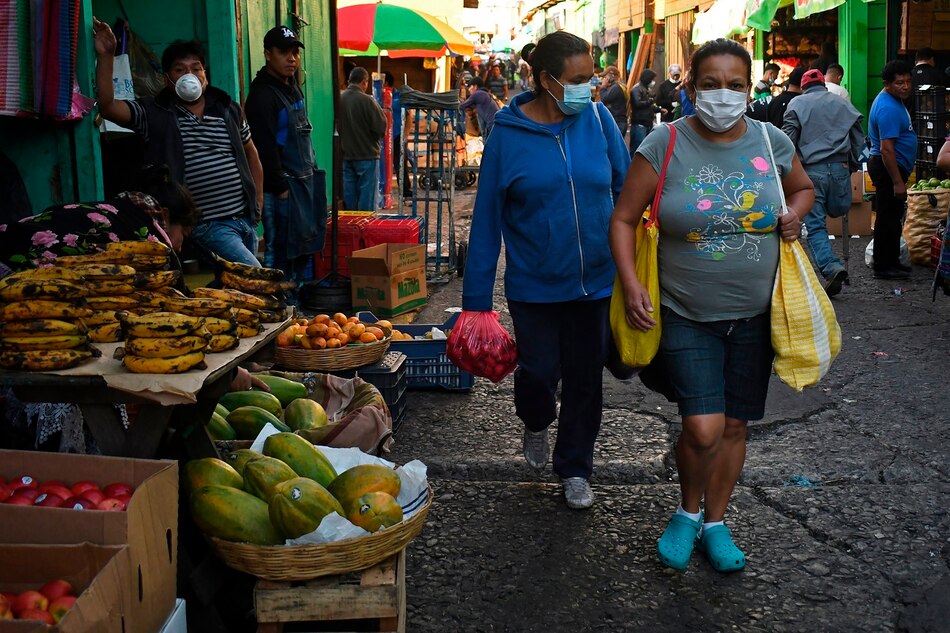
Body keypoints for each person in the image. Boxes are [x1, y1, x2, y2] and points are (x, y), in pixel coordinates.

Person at [610, 38, 814, 572]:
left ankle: (715, 521)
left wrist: (794, 214)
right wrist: (632, 285)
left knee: (735, 427)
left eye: (735, 85)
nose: (723, 95)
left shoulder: (771, 143)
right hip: (683, 311)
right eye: (711, 84)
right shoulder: (664, 143)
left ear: (749, 89)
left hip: (756, 313)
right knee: (702, 427)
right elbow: (624, 218)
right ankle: (685, 511)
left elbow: (804, 190)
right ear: (691, 87)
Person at [462, 31, 630, 510]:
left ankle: (575, 467)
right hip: (534, 284)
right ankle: (536, 421)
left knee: (585, 378)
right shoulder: (507, 138)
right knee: (537, 374)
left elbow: (626, 190)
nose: (589, 89)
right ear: (544, 79)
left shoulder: (597, 121)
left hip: (596, 280)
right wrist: (476, 304)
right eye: (577, 80)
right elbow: (487, 222)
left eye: (591, 78)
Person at [92, 19, 265, 270]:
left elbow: (252, 155)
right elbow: (108, 107)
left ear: (206, 74)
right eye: (180, 70)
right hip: (205, 225)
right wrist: (107, 55)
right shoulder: (154, 113)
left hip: (243, 220)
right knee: (254, 275)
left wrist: (256, 206)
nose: (190, 76)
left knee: (233, 286)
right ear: (166, 78)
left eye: (196, 69)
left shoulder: (228, 109)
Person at [244, 26, 326, 294]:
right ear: (268, 54)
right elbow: (263, 148)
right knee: (279, 254)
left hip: (304, 184)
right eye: (284, 53)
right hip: (280, 190)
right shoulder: (261, 96)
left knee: (303, 248)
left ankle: (295, 302)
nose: (292, 59)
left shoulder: (292, 88)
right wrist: (279, 188)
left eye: (295, 53)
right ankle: (278, 307)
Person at [783, 69, 865, 297]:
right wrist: (855, 164)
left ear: (803, 87)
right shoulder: (841, 103)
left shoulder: (797, 104)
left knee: (815, 224)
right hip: (840, 169)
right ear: (824, 84)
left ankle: (831, 266)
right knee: (840, 210)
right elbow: (858, 138)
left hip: (811, 172)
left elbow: (788, 141)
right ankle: (834, 265)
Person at [868, 60, 917, 280]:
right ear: (887, 84)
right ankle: (882, 265)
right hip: (888, 167)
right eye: (899, 83)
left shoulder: (893, 99)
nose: (905, 86)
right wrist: (898, 181)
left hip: (893, 167)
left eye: (907, 81)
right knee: (887, 217)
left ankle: (892, 260)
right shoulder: (887, 107)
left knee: (893, 215)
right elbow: (887, 149)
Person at [339, 67, 387, 211]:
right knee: (367, 202)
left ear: (349, 81)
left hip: (346, 157)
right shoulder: (368, 101)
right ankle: (364, 232)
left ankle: (351, 230)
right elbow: (381, 128)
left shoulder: (338, 99)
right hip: (368, 155)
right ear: (365, 82)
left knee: (350, 200)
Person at [630, 69, 659, 155]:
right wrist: (650, 101)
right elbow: (637, 103)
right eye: (652, 79)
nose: (653, 82)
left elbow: (649, 106)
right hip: (640, 123)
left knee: (645, 149)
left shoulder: (646, 89)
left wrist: (659, 109)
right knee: (637, 149)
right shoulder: (637, 89)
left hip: (647, 123)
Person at [598, 66, 628, 137]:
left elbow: (604, 99)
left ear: (611, 77)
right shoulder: (616, 87)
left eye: (605, 77)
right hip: (617, 122)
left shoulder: (616, 88)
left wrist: (603, 87)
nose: (603, 79)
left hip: (617, 122)